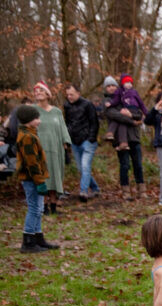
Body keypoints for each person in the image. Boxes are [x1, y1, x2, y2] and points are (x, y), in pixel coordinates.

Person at [14, 105, 58, 253]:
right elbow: (31, 162)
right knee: (34, 208)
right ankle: (28, 241)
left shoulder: (31, 134)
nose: (39, 121)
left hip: (35, 178)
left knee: (38, 209)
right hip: (31, 178)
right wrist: (39, 181)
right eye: (36, 118)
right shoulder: (27, 137)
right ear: (28, 120)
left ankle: (38, 237)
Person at [32, 81, 71, 215]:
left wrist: (66, 144)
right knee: (43, 178)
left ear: (47, 94)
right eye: (36, 91)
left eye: (41, 90)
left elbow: (63, 128)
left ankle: (54, 205)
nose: (38, 93)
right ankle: (44, 207)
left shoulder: (57, 112)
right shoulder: (32, 110)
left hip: (55, 149)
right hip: (39, 149)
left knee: (54, 176)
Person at [103, 76, 145, 200]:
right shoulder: (107, 103)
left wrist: (131, 114)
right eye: (108, 86)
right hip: (120, 140)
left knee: (138, 164)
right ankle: (125, 191)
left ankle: (141, 190)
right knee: (124, 165)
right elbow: (115, 116)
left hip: (134, 137)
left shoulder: (128, 98)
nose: (111, 88)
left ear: (118, 87)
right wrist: (132, 121)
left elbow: (139, 114)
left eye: (113, 85)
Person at [64, 83, 101, 201]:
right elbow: (68, 123)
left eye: (72, 94)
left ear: (78, 94)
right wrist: (67, 139)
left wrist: (91, 138)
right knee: (81, 168)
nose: (69, 97)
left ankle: (83, 191)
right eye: (68, 95)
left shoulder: (87, 105)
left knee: (85, 166)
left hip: (88, 141)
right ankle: (95, 188)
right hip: (75, 141)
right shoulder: (66, 106)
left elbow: (94, 122)